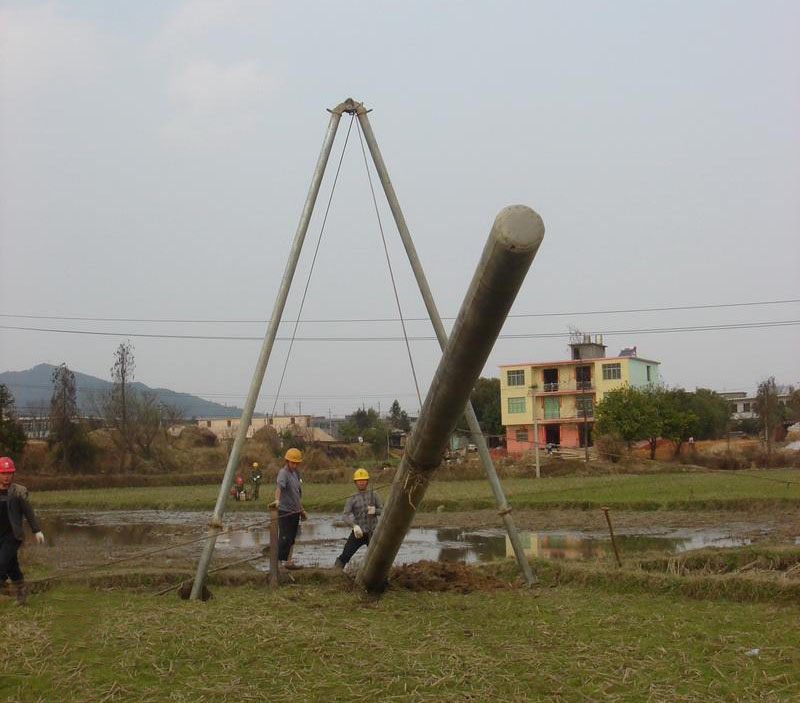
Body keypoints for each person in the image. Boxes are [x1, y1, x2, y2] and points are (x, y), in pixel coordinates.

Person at [0, 457, 45, 605]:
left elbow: (28, 512)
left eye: (9, 473)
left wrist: (36, 530)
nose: (6, 476)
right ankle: (21, 591)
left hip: (13, 535)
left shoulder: (19, 491)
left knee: (2, 562)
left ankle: (2, 583)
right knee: (12, 566)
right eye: (3, 473)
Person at [334, 468, 382, 570]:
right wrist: (354, 526)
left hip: (373, 532)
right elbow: (345, 516)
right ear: (355, 482)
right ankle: (335, 574)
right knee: (345, 555)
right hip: (358, 533)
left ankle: (381, 577)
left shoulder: (374, 495)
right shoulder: (352, 498)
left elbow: (383, 511)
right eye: (359, 481)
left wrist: (375, 511)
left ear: (367, 482)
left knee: (378, 558)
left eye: (363, 480)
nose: (361, 483)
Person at [272, 448, 307, 569]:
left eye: (297, 463)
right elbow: (279, 488)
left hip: (295, 511)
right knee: (284, 537)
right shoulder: (283, 473)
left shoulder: (296, 474)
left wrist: (301, 510)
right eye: (293, 463)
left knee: (292, 538)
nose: (295, 465)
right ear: (287, 461)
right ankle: (279, 564)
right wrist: (277, 500)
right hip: (285, 511)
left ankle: (288, 562)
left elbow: (296, 495)